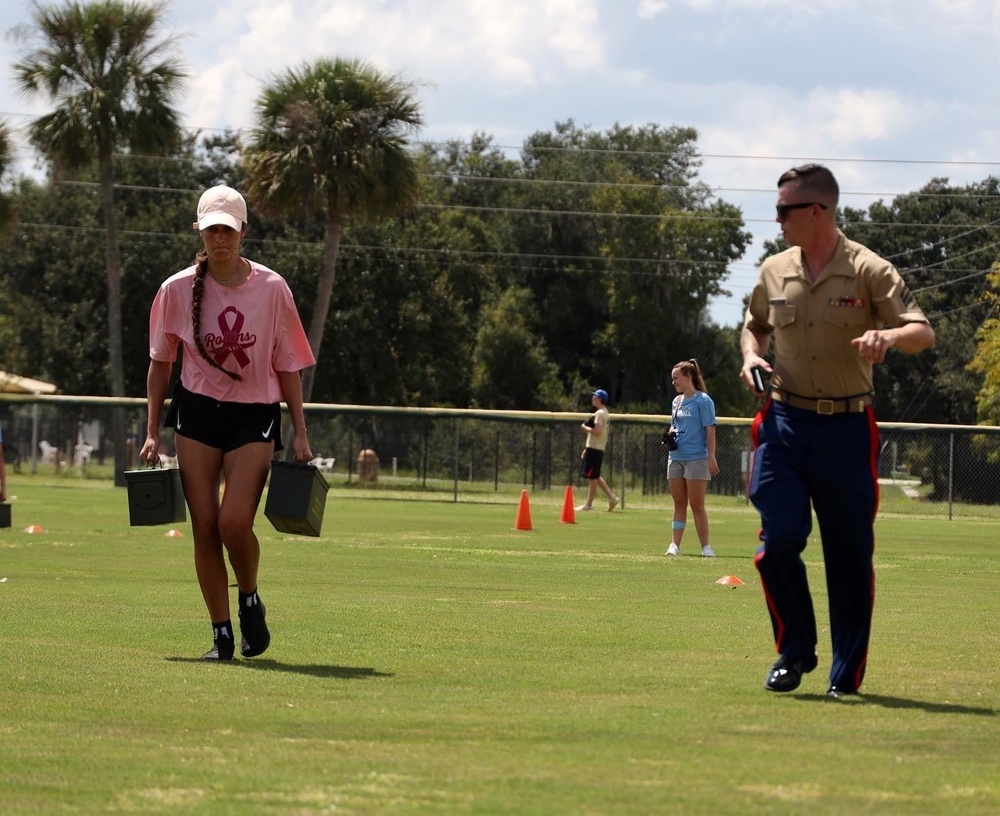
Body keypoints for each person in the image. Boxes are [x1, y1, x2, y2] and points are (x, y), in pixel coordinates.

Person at [740, 164, 934, 697]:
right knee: (777, 542)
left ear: (816, 212)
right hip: (782, 422)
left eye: (784, 210)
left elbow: (922, 330)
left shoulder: (869, 269)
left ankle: (845, 676)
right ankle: (794, 651)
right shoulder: (774, 269)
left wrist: (889, 338)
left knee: (849, 558)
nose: (776, 219)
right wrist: (751, 355)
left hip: (848, 428)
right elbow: (753, 327)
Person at [139, 185, 317, 661]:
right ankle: (220, 636)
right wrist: (152, 430)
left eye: (229, 230)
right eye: (213, 229)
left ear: (243, 234)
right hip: (196, 414)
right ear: (199, 230)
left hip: (254, 414)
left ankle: (250, 599)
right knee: (204, 529)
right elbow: (161, 363)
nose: (221, 239)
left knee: (234, 523)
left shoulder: (272, 287)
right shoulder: (175, 289)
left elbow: (287, 364)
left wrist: (299, 430)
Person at [663, 359, 719, 557]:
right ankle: (674, 545)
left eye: (676, 378)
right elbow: (674, 424)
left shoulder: (703, 400)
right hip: (676, 457)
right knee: (679, 503)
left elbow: (710, 430)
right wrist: (670, 434)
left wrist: (711, 456)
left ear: (688, 377)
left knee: (697, 504)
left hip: (697, 458)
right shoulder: (676, 402)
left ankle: (706, 547)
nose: (674, 382)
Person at [576, 389, 620, 512]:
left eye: (594, 396)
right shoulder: (603, 412)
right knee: (595, 475)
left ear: (599, 399)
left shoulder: (600, 413)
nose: (593, 398)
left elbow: (597, 431)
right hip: (595, 448)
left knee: (592, 477)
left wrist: (585, 427)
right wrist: (587, 448)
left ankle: (588, 504)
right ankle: (612, 498)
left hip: (595, 448)